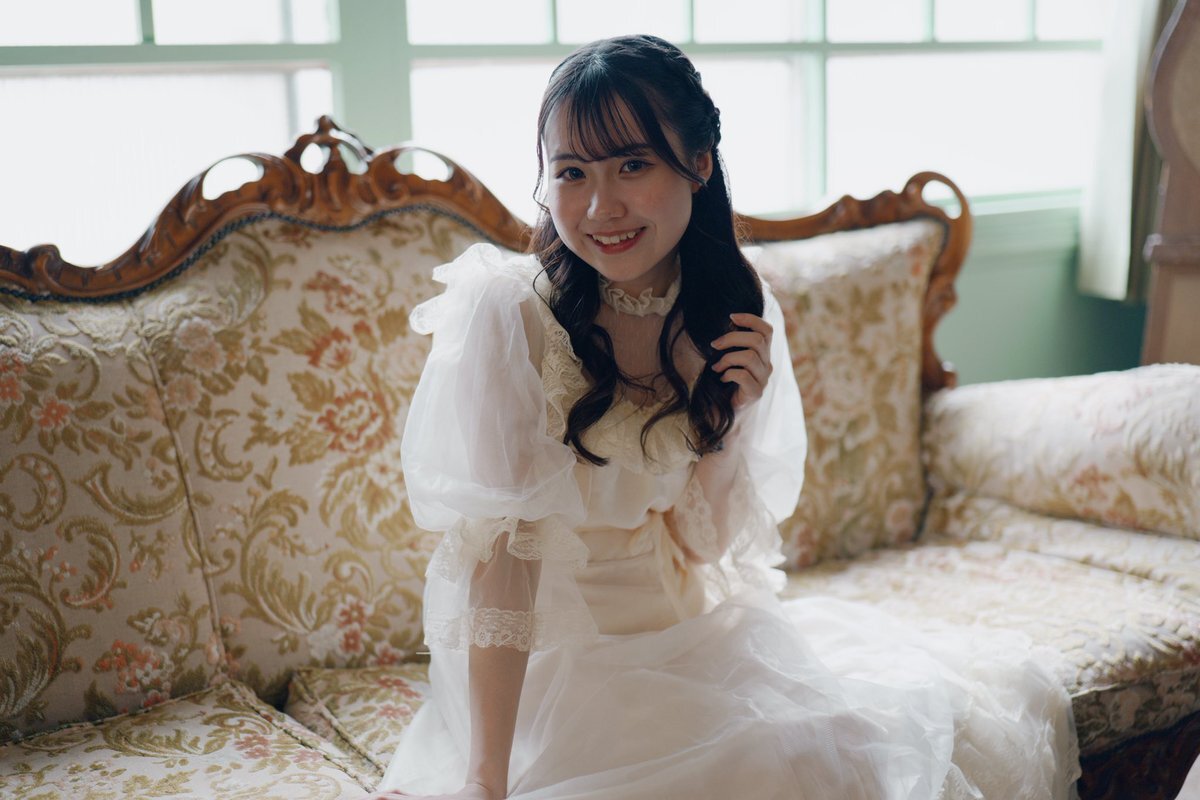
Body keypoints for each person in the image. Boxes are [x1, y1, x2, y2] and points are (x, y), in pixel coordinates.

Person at [372, 34, 1079, 800]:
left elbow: (699, 545)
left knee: (834, 746)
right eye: (571, 172)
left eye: (632, 165)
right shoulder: (509, 315)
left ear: (699, 163)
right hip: (548, 658)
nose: (600, 207)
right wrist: (486, 777)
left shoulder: (729, 307)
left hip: (684, 627)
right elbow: (501, 566)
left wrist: (733, 415)